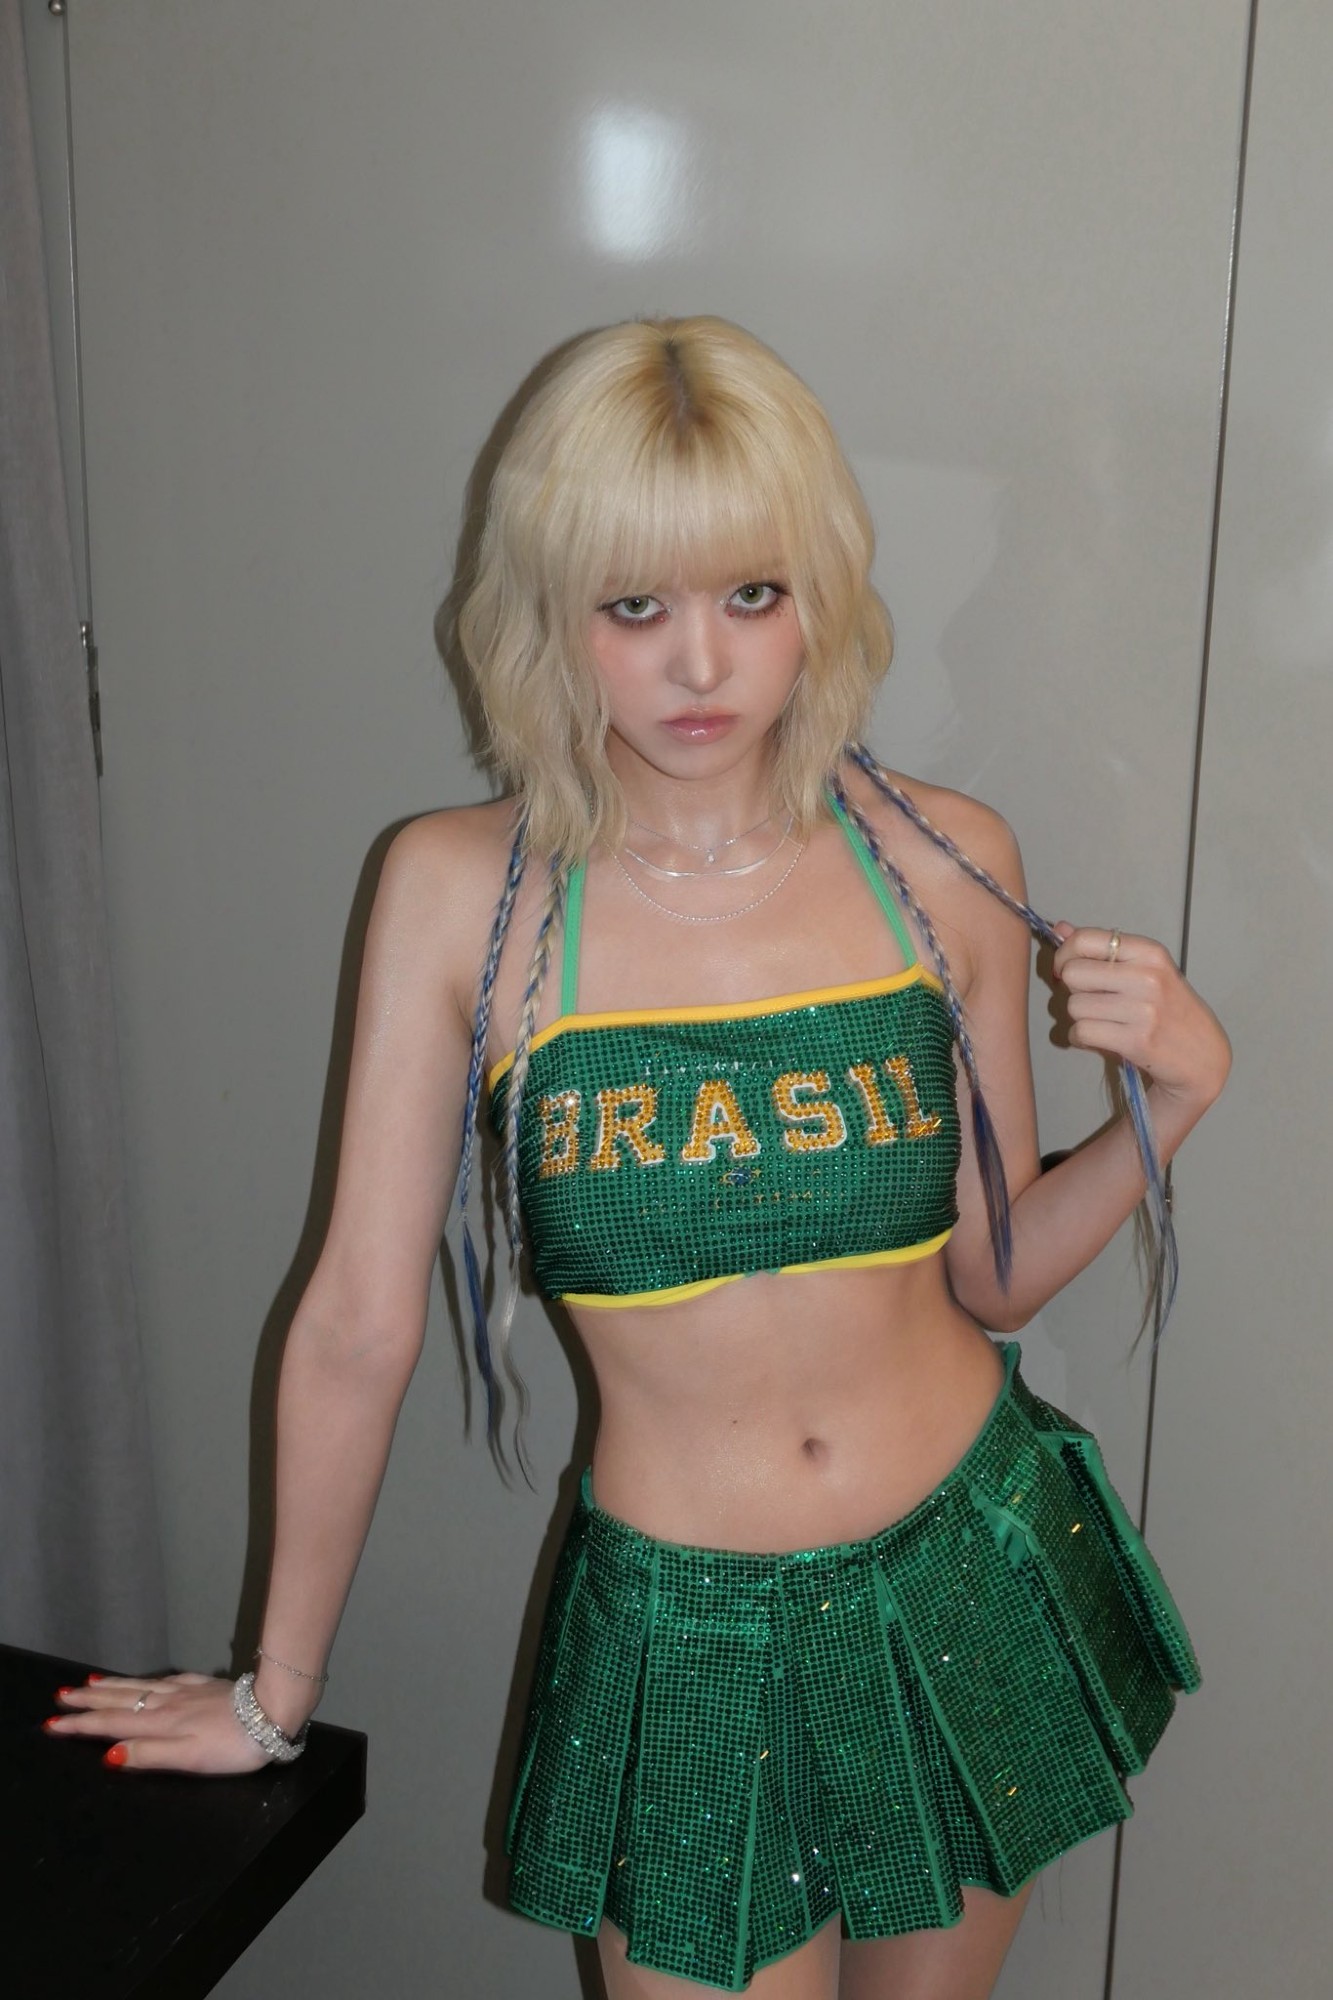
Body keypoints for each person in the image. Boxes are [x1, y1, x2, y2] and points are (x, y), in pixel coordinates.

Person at [46, 317, 1230, 1999]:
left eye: (750, 594)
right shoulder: (458, 891)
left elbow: (992, 1275)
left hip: (964, 1564)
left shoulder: (943, 863)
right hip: (686, 1645)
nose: (698, 666)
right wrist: (272, 1693)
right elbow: (359, 1322)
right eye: (633, 607)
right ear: (550, 612)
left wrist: (1167, 1105)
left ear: (818, 593)